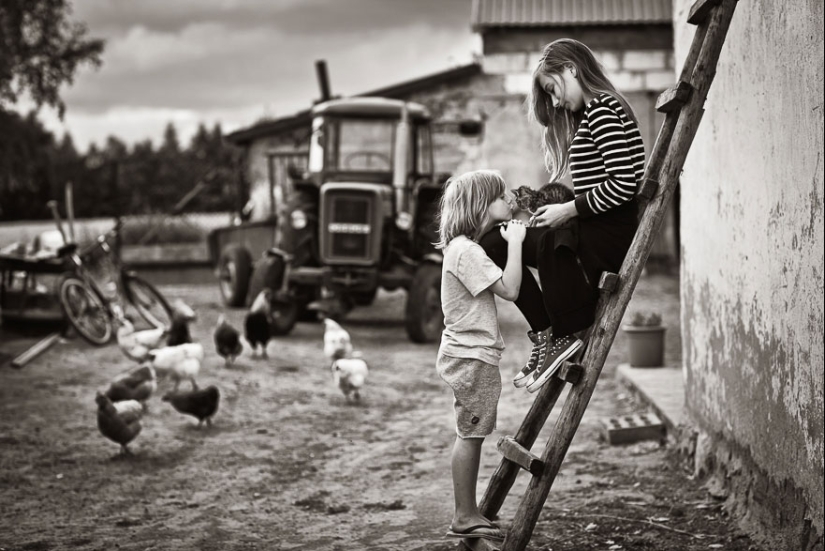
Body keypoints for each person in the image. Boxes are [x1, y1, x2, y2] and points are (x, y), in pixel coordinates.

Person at [479, 38, 646, 393]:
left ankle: (558, 334)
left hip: (604, 239)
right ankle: (546, 337)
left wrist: (568, 210)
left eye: (553, 90)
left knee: (502, 240)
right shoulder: (595, 113)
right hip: (591, 230)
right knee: (497, 241)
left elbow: (623, 184)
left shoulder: (602, 109)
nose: (555, 102)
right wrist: (560, 211)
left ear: (571, 68)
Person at [435, 169, 526, 542]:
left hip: (473, 354)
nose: (510, 201)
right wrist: (517, 241)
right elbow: (511, 289)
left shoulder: (463, 248)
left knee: (473, 432)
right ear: (482, 204)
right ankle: (463, 515)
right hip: (471, 356)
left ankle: (468, 511)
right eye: (503, 196)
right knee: (470, 434)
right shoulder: (466, 251)